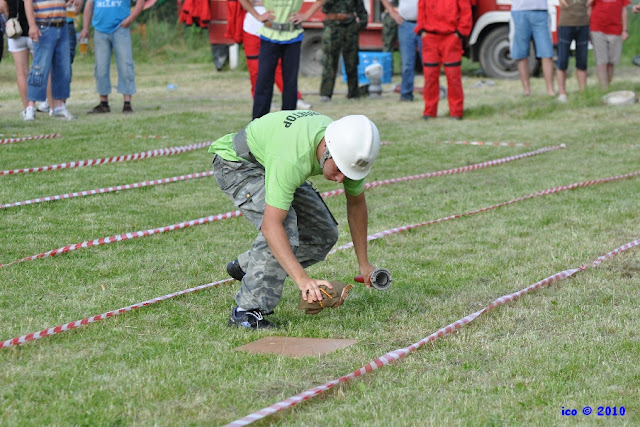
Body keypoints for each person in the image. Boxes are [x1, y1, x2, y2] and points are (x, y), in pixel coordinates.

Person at [209, 111, 381, 329]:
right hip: (239, 164)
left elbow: (356, 205)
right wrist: (303, 280)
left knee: (323, 233)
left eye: (347, 175)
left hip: (272, 161)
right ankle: (245, 312)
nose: (340, 179)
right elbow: (272, 226)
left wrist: (364, 264)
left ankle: (246, 267)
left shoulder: (350, 153)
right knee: (284, 229)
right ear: (327, 148)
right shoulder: (293, 157)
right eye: (338, 170)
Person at [239, 0, 323, 119]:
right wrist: (257, 15)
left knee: (290, 82)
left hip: (293, 36)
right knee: (263, 81)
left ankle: (287, 121)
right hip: (269, 36)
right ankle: (258, 122)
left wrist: (306, 15)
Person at [80, 0, 145, 114]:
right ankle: (103, 103)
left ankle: (127, 103)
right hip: (100, 29)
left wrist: (129, 20)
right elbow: (89, 5)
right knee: (100, 67)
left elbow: (140, 2)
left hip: (120, 28)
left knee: (125, 65)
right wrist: (85, 28)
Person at [415, 0, 471, 119]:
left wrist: (459, 33)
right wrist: (422, 31)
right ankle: (429, 112)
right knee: (430, 76)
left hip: (451, 38)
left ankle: (456, 112)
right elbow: (421, 10)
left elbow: (466, 12)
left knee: (453, 76)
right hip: (430, 38)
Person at [23, 0, 74, 121]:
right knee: (39, 68)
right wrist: (32, 25)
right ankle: (30, 107)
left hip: (62, 25)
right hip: (43, 25)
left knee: (63, 69)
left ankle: (59, 106)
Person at [319, 0, 368, 102]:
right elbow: (324, 8)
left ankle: (353, 94)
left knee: (351, 62)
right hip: (332, 27)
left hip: (350, 27)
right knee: (329, 62)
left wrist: (358, 26)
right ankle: (326, 94)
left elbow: (362, 11)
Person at [510, 0, 556, 96]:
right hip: (519, 10)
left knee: (546, 52)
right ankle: (526, 90)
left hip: (540, 10)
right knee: (521, 53)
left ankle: (550, 90)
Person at [381, 0, 422, 102]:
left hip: (425, 24)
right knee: (407, 62)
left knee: (429, 62)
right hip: (406, 24)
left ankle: (432, 94)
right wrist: (392, 12)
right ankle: (406, 94)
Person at [587, 0, 630, 90]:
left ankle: (608, 86)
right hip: (597, 28)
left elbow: (624, 10)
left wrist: (625, 30)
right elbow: (588, 7)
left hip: (616, 29)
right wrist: (588, 29)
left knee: (611, 62)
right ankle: (604, 88)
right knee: (601, 61)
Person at [556, 0, 589, 103]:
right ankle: (562, 94)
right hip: (566, 23)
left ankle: (583, 92)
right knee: (562, 60)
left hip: (583, 23)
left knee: (582, 60)